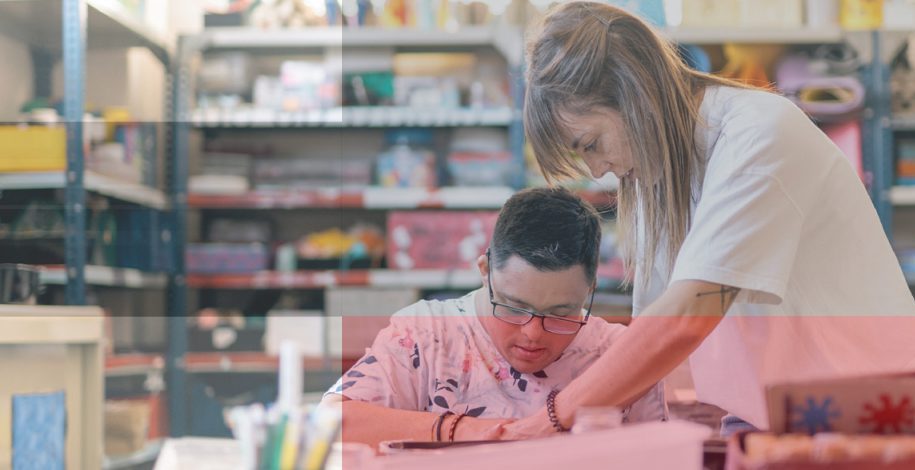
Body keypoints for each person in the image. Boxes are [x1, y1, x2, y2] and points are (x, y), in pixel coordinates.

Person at [504, 1, 915, 439]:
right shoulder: (658, 173)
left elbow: (684, 319)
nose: (597, 169)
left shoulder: (758, 134)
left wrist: (543, 420)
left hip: (868, 414)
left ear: (636, 96)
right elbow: (657, 333)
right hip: (773, 417)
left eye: (590, 143)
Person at [321, 188, 667, 449]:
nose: (533, 334)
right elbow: (331, 422)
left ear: (590, 289)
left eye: (561, 312)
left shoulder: (621, 355)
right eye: (514, 307)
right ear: (485, 271)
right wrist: (476, 432)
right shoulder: (425, 336)